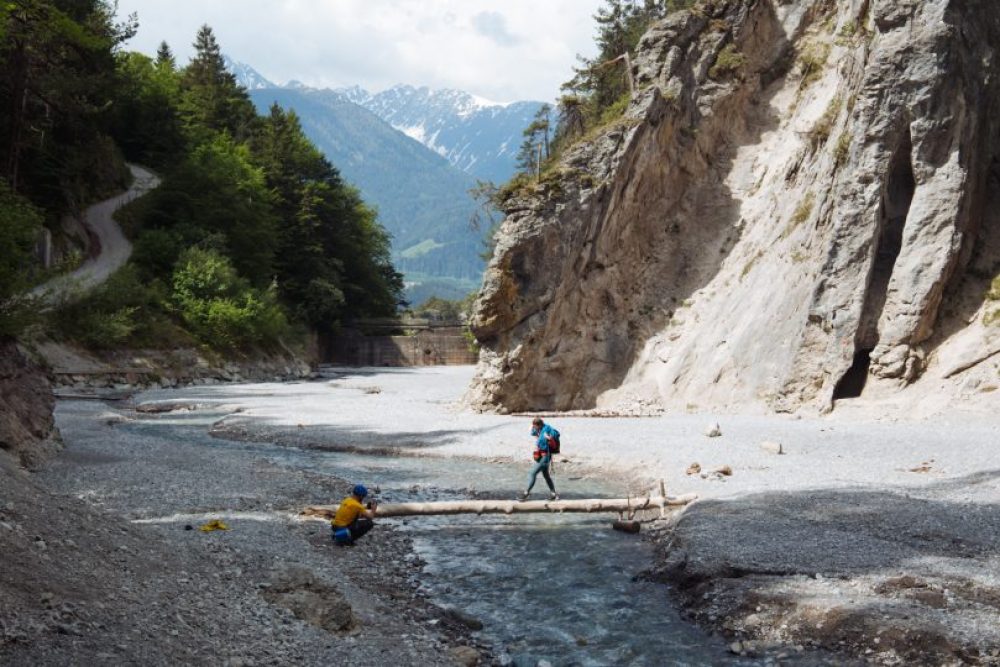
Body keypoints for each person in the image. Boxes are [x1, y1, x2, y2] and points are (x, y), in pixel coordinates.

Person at [520, 417, 559, 501]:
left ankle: (526, 493)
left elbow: (552, 445)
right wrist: (532, 428)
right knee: (546, 476)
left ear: (539, 425)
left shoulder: (546, 431)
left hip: (545, 457)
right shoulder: (540, 429)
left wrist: (549, 439)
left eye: (535, 426)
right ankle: (553, 494)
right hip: (542, 456)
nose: (534, 428)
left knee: (532, 473)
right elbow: (533, 433)